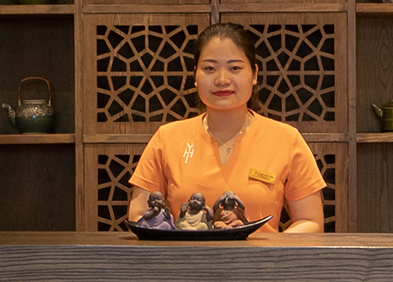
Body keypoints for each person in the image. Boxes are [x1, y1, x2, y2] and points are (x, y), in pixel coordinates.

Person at [126, 21, 326, 234]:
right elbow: (139, 216)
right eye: (209, 68)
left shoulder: (286, 139)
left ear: (255, 74)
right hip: (184, 264)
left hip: (261, 265)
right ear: (195, 75)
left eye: (235, 68)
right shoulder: (166, 139)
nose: (222, 79)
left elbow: (310, 221)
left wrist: (271, 256)